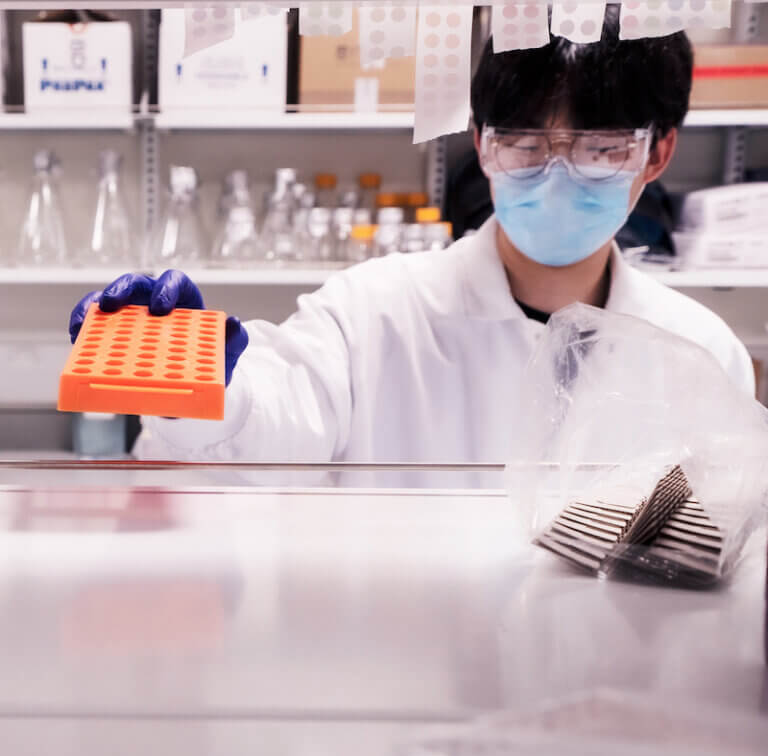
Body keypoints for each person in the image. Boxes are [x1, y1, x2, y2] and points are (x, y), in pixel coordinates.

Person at [70, 9, 753, 483]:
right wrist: (196, 386)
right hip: (404, 669)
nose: (559, 170)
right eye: (524, 142)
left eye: (601, 146)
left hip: (607, 681)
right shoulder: (374, 312)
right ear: (482, 146)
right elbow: (267, 422)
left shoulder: (704, 351)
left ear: (659, 151)